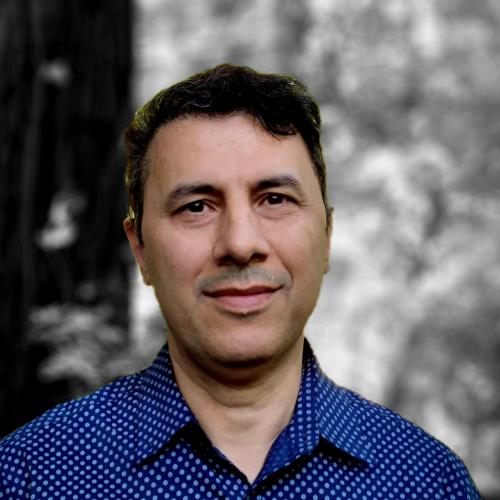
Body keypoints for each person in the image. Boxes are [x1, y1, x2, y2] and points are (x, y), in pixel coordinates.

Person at [0, 64, 479, 499]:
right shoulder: (29, 476)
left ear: (327, 237)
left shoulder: (428, 481)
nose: (240, 243)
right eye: (196, 207)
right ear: (141, 250)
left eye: (275, 199)